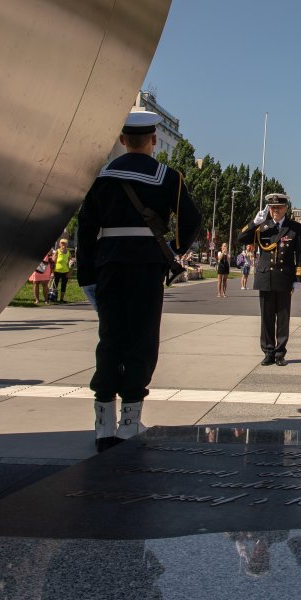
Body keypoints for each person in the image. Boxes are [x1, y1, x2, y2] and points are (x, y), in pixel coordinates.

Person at [76, 110, 202, 452]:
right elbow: (192, 220)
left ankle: (103, 422)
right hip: (147, 266)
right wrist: (172, 250)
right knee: (142, 338)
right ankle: (129, 421)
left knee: (110, 337)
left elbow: (85, 231)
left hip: (108, 264)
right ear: (153, 140)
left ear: (121, 140)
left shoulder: (101, 177)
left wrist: (85, 275)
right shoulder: (168, 177)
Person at [238, 194, 301, 366]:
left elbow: (300, 253)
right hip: (265, 277)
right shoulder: (263, 226)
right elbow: (241, 239)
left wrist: (299, 278)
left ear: (286, 208)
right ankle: (268, 351)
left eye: (279, 207)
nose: (275, 211)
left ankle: (280, 353)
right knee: (267, 318)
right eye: (272, 208)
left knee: (283, 318)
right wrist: (254, 223)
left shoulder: (294, 227)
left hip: (284, 277)